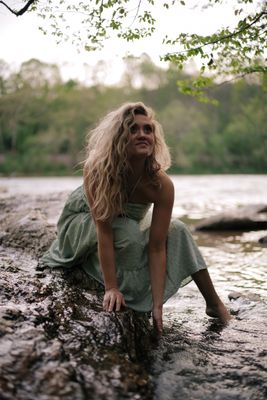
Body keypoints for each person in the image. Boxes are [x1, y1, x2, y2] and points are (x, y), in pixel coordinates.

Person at [42, 101, 231, 333]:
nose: (142, 134)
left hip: (130, 221)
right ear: (120, 137)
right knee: (128, 233)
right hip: (83, 219)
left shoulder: (161, 184)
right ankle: (109, 277)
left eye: (147, 129)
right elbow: (104, 229)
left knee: (179, 229)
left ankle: (214, 304)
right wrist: (111, 288)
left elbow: (157, 247)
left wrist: (158, 304)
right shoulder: (97, 169)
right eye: (133, 129)